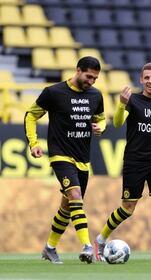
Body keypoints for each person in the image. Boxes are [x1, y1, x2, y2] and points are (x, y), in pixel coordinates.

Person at [94, 62, 151, 262]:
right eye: (147, 78)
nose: (150, 81)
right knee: (128, 208)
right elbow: (117, 123)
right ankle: (101, 239)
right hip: (135, 161)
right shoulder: (133, 101)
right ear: (141, 80)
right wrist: (122, 104)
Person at [24, 56, 106, 264]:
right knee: (75, 195)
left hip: (83, 159)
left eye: (95, 78)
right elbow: (31, 116)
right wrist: (33, 143)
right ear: (78, 70)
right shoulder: (54, 92)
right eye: (89, 76)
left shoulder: (96, 96)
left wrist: (101, 127)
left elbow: (101, 118)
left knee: (68, 207)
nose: (91, 82)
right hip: (60, 155)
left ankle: (49, 248)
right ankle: (87, 246)